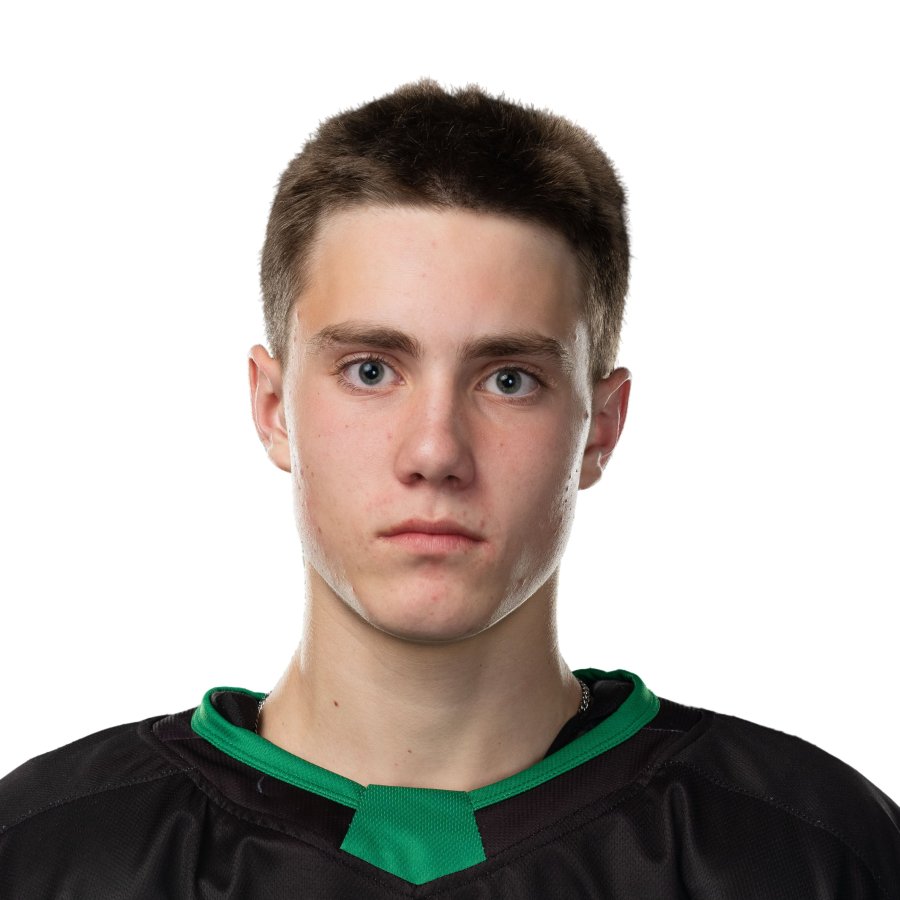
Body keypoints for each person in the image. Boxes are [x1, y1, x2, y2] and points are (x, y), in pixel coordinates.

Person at [1, 80, 897, 898]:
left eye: (509, 379)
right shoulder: (48, 857)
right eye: (370, 370)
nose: (435, 451)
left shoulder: (812, 856)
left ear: (601, 426)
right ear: (273, 409)